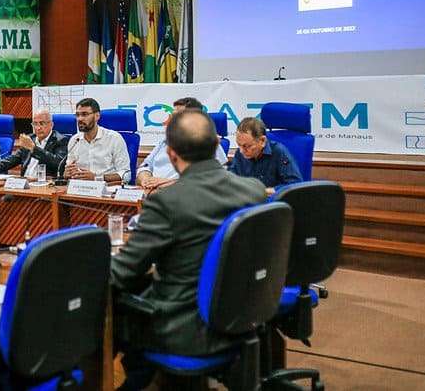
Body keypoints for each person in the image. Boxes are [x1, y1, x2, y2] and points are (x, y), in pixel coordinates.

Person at [111, 109, 266, 390]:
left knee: (107, 303)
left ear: (171, 155)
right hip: (241, 317)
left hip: (183, 330)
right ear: (217, 146)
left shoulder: (167, 202)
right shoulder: (253, 190)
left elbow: (121, 274)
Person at [136, 97, 228, 193]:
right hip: (151, 193)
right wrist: (145, 180)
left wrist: (168, 183)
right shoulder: (165, 141)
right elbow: (145, 166)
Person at [0, 108, 68, 178]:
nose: (38, 128)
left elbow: (59, 164)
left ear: (51, 125)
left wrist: (33, 149)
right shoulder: (30, 138)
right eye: (35, 124)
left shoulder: (60, 140)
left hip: (45, 186)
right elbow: (11, 160)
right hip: (24, 184)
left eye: (42, 123)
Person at [63, 98, 131, 184]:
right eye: (77, 115)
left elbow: (126, 174)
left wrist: (97, 178)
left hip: (106, 190)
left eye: (84, 114)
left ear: (97, 116)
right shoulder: (74, 140)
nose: (80, 119)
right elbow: (68, 170)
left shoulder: (114, 138)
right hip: (80, 189)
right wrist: (66, 173)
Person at [228, 116, 303, 193]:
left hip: (273, 202)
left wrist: (267, 191)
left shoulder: (279, 152)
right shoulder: (240, 153)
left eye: (247, 146)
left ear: (262, 141)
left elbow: (295, 184)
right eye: (239, 145)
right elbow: (230, 180)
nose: (241, 151)